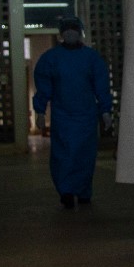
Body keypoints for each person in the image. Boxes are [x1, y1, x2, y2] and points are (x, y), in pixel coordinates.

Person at [32, 17, 112, 209]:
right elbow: (43, 86)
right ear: (61, 33)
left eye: (73, 29)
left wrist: (105, 111)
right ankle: (66, 192)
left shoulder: (91, 58)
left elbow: (101, 86)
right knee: (63, 155)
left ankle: (84, 191)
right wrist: (40, 111)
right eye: (66, 29)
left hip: (86, 116)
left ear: (80, 32)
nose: (70, 32)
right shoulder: (51, 58)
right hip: (62, 116)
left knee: (85, 155)